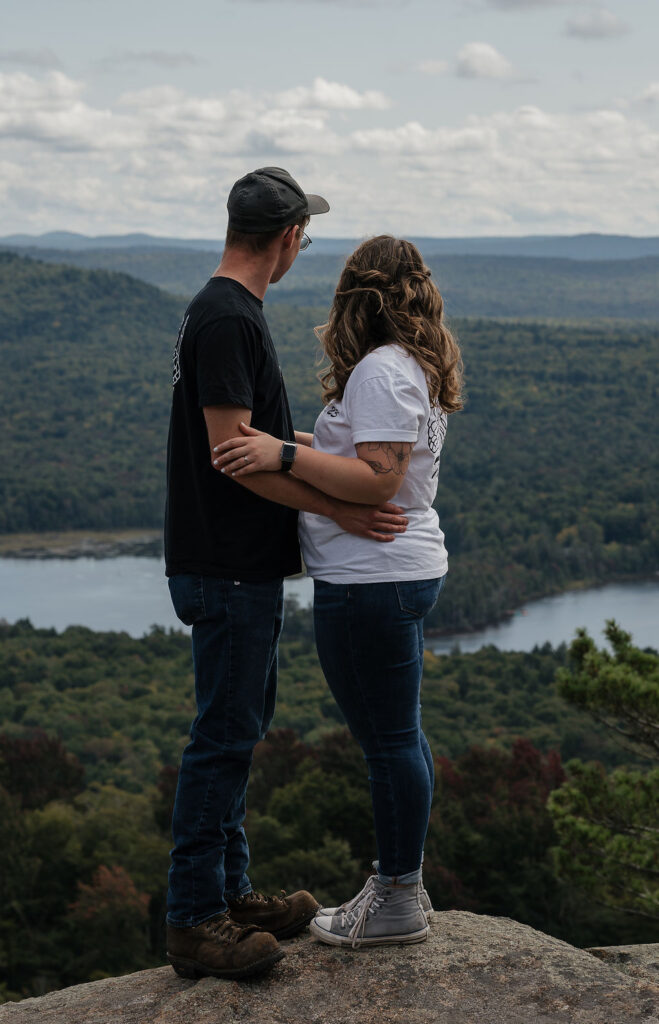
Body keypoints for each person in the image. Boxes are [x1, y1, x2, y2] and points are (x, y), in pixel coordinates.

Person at [164, 172, 411, 980]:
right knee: (223, 739)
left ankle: (230, 895)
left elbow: (261, 438)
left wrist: (327, 460)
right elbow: (238, 455)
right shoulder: (230, 317)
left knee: (237, 732)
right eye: (304, 232)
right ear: (290, 237)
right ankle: (196, 918)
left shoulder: (226, 311)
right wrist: (341, 511)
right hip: (228, 566)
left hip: (237, 567)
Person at [212, 234, 463, 950]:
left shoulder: (382, 369)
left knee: (387, 746)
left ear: (356, 296)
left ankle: (394, 900)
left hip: (371, 582)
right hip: (394, 575)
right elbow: (361, 456)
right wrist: (270, 439)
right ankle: (396, 890)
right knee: (399, 739)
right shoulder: (406, 362)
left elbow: (379, 476)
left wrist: (283, 455)